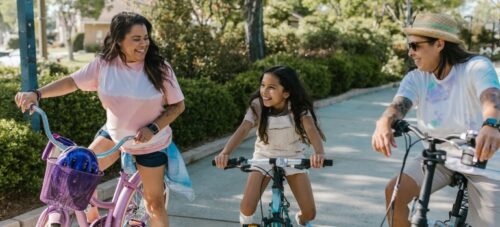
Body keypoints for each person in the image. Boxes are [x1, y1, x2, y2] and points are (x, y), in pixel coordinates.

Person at [14, 12, 185, 227]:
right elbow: (72, 82)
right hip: (114, 135)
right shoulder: (104, 65)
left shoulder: (160, 68)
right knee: (78, 176)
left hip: (150, 142)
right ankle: (94, 221)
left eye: (146, 38)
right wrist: (36, 94)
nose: (144, 44)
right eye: (136, 39)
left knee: (154, 204)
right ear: (119, 40)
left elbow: (178, 106)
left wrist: (153, 127)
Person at [372, 13, 500, 227]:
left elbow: (491, 96)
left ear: (439, 44)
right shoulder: (417, 78)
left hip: (483, 158)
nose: (410, 52)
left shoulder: (475, 67)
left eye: (415, 46)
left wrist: (491, 124)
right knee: (395, 194)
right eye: (409, 46)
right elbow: (399, 105)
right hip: (439, 157)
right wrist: (384, 122)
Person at [214, 66, 327, 227]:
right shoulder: (258, 105)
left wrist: (319, 153)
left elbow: (310, 128)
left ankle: (301, 220)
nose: (264, 92)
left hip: (293, 157)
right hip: (263, 157)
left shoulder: (297, 108)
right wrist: (225, 153)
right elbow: (244, 127)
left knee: (310, 213)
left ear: (286, 93)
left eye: (271, 88)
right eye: (262, 85)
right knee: (247, 206)